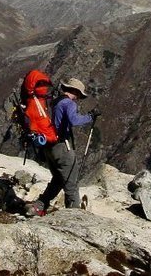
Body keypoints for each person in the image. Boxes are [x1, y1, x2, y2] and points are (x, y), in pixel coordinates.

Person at [25, 77, 100, 216]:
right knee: (71, 184)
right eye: (78, 95)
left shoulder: (55, 101)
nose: (78, 98)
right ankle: (74, 216)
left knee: (58, 180)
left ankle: (38, 206)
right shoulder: (69, 104)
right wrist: (90, 116)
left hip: (48, 146)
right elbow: (74, 120)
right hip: (62, 148)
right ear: (75, 92)